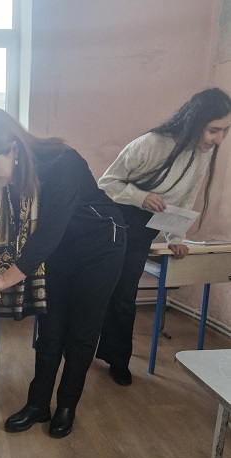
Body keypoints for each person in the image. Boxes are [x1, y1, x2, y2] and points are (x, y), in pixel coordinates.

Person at [0, 107, 126, 438]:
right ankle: (38, 404)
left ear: (13, 149)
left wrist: (4, 279)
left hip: (99, 248)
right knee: (50, 333)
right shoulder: (6, 180)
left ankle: (67, 405)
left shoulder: (63, 163)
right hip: (56, 253)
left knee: (81, 335)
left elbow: (47, 235)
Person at [96, 87, 231, 386]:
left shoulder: (203, 153)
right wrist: (141, 197)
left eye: (225, 131)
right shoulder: (151, 144)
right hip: (115, 220)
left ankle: (118, 360)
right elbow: (106, 183)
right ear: (195, 121)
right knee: (101, 290)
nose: (219, 139)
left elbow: (186, 198)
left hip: (145, 225)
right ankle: (81, 349)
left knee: (125, 295)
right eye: (214, 130)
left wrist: (176, 238)